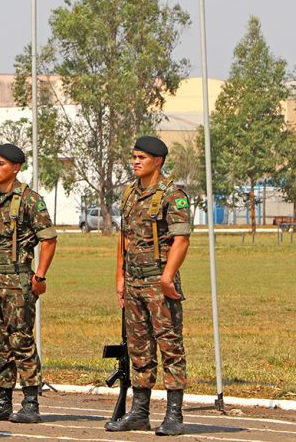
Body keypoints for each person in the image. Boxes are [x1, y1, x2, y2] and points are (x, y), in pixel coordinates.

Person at [106, 136, 191, 436]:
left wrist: (167, 277)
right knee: (139, 347)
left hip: (158, 280)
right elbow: (124, 240)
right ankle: (139, 412)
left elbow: (182, 239)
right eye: (134, 157)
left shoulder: (173, 195)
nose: (135, 162)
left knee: (169, 346)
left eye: (142, 157)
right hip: (134, 280)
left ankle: (174, 414)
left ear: (158, 161)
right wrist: (119, 277)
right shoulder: (129, 195)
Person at [0, 144, 57, 424]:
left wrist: (40, 276)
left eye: (1, 164)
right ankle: (3, 400)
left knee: (21, 341)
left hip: (17, 282)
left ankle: (31, 401)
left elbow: (49, 238)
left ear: (16, 168)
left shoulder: (30, 200)